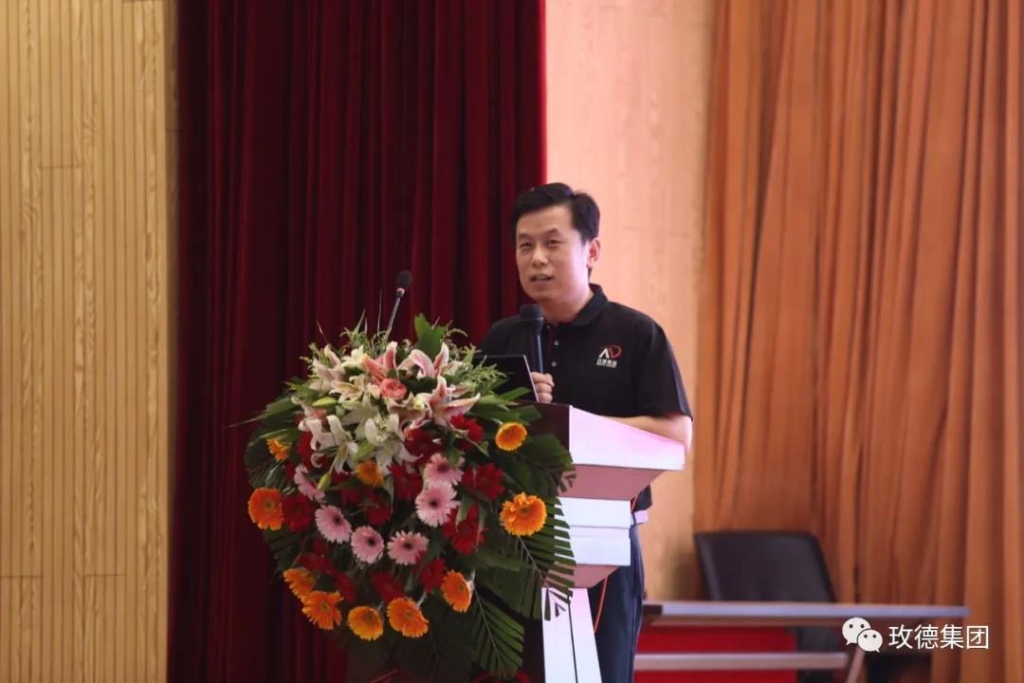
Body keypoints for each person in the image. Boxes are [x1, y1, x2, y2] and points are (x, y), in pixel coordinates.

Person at [478, 182, 694, 682]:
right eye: (525, 245)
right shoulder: (502, 337)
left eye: (552, 243)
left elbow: (675, 434)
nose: (537, 258)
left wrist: (567, 424)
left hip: (603, 545)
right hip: (510, 543)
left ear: (591, 251)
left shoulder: (634, 333)